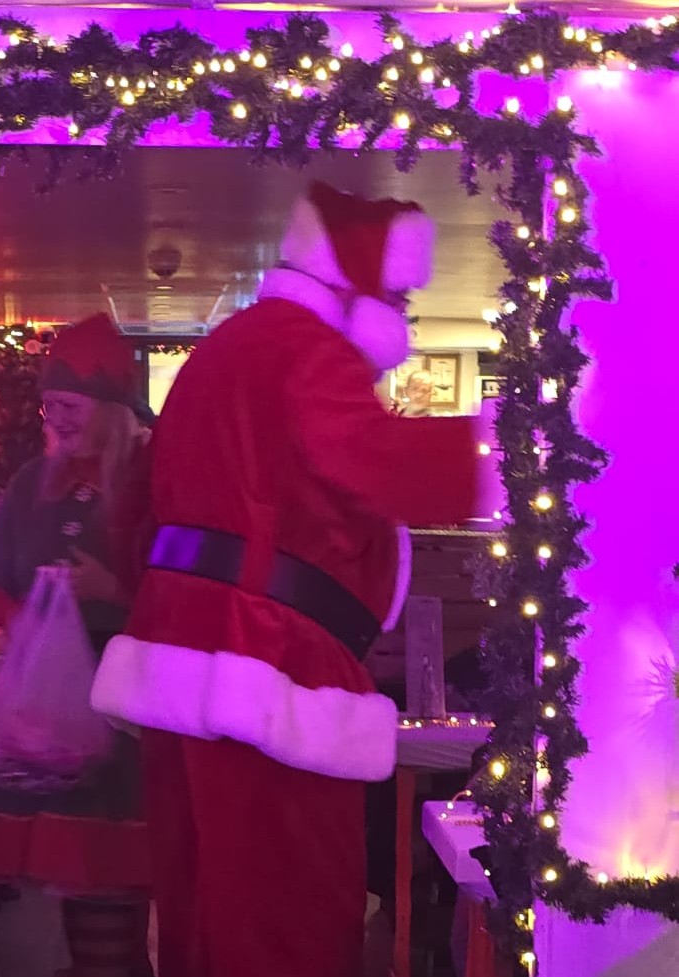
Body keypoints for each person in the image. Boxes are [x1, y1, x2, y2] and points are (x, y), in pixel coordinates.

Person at [91, 181, 486, 977]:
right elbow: (376, 461)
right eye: (398, 298)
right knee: (289, 919)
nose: (403, 319)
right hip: (270, 671)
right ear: (356, 287)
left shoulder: (223, 351)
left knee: (201, 911)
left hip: (181, 666)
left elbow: (130, 513)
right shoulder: (308, 350)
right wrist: (521, 452)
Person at [0, 313, 152, 977]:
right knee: (77, 879)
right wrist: (28, 621)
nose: (56, 419)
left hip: (128, 708)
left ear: (109, 408)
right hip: (49, 711)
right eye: (50, 406)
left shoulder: (153, 478)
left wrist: (113, 589)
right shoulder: (31, 483)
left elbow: (190, 594)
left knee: (111, 876)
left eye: (70, 406)